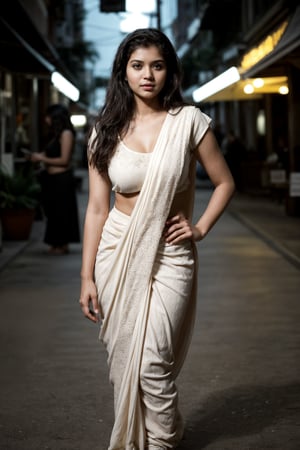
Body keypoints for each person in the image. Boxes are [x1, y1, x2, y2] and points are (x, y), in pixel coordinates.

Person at [79, 28, 235, 450]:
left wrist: (200, 227)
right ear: (123, 72)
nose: (148, 75)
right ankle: (154, 431)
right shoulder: (104, 131)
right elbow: (96, 209)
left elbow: (224, 182)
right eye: (138, 66)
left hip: (170, 252)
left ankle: (164, 440)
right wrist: (87, 277)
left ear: (169, 71)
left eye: (157, 65)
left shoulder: (188, 122)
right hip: (117, 250)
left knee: (151, 363)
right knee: (125, 357)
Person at [28, 104, 80, 254]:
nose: (46, 119)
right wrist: (39, 157)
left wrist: (41, 158)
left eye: (48, 116)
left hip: (62, 179)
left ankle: (62, 244)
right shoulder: (55, 135)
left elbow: (64, 160)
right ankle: (56, 243)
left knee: (61, 212)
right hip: (52, 179)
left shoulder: (66, 134)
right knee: (54, 213)